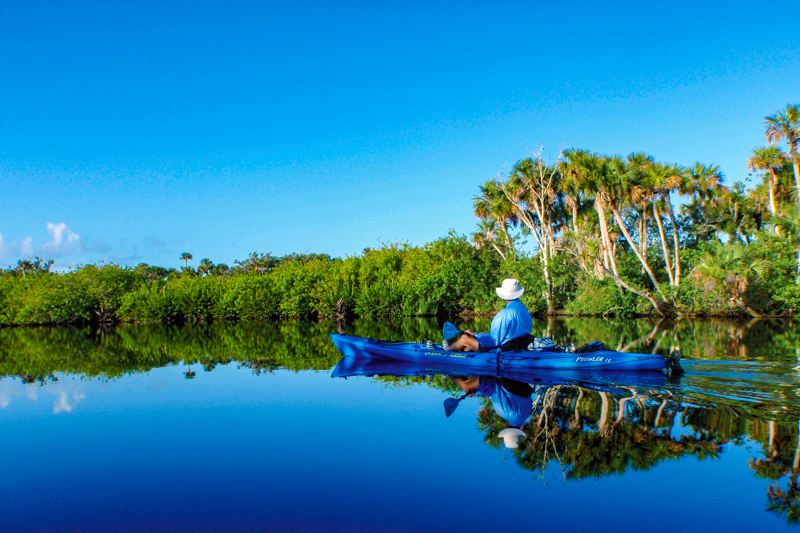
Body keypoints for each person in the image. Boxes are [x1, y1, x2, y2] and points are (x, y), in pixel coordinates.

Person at [445, 278, 533, 352]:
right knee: (482, 334)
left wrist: (474, 335)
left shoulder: (504, 315)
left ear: (503, 295)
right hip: (517, 346)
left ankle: (446, 352)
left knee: (465, 338)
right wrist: (476, 335)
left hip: (504, 350)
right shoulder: (524, 310)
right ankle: (463, 353)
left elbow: (493, 342)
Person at [449, 375, 533, 449]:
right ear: (506, 428)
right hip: (507, 379)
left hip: (524, 384)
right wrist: (476, 391)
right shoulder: (506, 414)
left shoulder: (527, 413)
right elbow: (494, 387)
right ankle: (446, 372)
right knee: (466, 387)